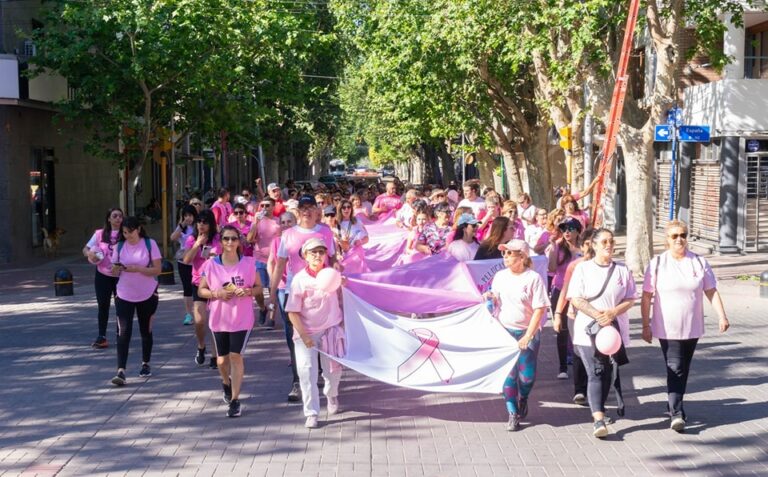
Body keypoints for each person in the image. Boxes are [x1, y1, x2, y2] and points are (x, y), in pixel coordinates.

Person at [641, 220, 730, 432]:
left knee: (684, 368)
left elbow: (711, 290)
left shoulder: (698, 262)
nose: (679, 239)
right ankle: (677, 413)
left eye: (683, 235)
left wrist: (722, 315)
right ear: (667, 240)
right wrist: (646, 324)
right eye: (674, 236)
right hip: (667, 327)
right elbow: (646, 296)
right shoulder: (658, 264)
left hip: (692, 326)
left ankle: (674, 401)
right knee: (676, 367)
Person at [567, 228, 636, 438]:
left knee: (607, 372)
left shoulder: (623, 270)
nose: (609, 245)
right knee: (595, 372)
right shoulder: (583, 269)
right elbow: (576, 298)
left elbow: (631, 298)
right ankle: (598, 419)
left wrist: (613, 312)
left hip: (613, 332)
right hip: (589, 331)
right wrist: (598, 315)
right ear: (594, 245)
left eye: (611, 241)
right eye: (604, 241)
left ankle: (601, 409)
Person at [269, 195, 337, 402]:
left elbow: (333, 261)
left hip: (322, 292)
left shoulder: (325, 232)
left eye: (310, 207)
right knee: (295, 338)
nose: (307, 211)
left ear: (317, 210)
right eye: (303, 208)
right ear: (298, 211)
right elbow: (280, 264)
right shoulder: (288, 234)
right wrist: (271, 293)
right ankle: (298, 381)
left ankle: (320, 375)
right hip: (293, 291)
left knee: (322, 337)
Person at [197, 225, 262, 418]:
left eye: (234, 239)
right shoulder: (211, 265)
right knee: (222, 359)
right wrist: (217, 293)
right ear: (221, 241)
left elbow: (259, 287)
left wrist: (248, 291)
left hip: (242, 319)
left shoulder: (249, 263)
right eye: (226, 239)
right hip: (219, 318)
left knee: (236, 356)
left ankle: (235, 400)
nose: (230, 243)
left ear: (239, 241)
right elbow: (201, 290)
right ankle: (225, 382)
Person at [485, 239, 549, 431]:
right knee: (508, 375)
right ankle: (512, 412)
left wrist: (528, 336)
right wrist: (491, 298)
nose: (505, 257)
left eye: (510, 253)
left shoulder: (533, 278)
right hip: (505, 331)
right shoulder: (500, 276)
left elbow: (539, 309)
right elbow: (495, 299)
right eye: (504, 253)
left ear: (522, 256)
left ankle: (524, 397)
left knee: (526, 377)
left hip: (526, 332)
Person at [285, 238, 345, 428]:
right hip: (306, 333)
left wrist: (342, 324)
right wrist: (304, 336)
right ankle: (311, 412)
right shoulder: (299, 280)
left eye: (321, 252)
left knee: (333, 371)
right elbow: (292, 312)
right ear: (305, 256)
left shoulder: (333, 275)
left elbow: (345, 298)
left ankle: (332, 395)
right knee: (307, 371)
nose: (317, 256)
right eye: (313, 253)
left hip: (331, 330)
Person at [109, 216, 162, 386]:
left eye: (130, 232)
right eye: (124, 232)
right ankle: (121, 370)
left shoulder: (149, 244)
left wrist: (138, 269)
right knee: (123, 331)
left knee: (145, 329)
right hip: (124, 293)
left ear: (138, 229)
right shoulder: (119, 245)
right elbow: (114, 271)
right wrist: (116, 269)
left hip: (147, 293)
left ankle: (145, 363)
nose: (127, 236)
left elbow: (158, 269)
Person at [553, 229, 596, 407]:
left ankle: (596, 386)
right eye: (586, 245)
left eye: (592, 244)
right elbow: (565, 290)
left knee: (597, 352)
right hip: (575, 314)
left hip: (599, 314)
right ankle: (580, 390)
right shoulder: (575, 265)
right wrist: (557, 314)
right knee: (579, 350)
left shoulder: (608, 266)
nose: (589, 249)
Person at [183, 209, 222, 369]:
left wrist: (215, 258)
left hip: (216, 284)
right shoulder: (192, 239)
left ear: (211, 224)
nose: (201, 225)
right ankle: (201, 346)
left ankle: (215, 354)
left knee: (214, 322)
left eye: (205, 222)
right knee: (199, 320)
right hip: (199, 283)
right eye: (199, 222)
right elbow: (186, 260)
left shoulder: (218, 238)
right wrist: (197, 244)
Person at [547, 217, 583, 379]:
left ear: (578, 231)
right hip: (560, 291)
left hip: (580, 294)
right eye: (564, 229)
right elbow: (552, 268)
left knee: (579, 328)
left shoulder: (584, 248)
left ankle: (580, 362)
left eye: (570, 228)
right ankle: (563, 367)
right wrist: (553, 247)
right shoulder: (558, 247)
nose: (567, 232)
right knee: (561, 329)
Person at [268, 211, 299, 399]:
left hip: (308, 292)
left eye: (290, 221)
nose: (286, 224)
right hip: (285, 289)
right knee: (291, 335)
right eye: (283, 222)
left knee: (311, 333)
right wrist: (272, 293)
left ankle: (318, 367)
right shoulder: (279, 241)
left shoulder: (306, 237)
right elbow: (276, 265)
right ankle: (296, 380)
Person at [83, 208, 124, 348]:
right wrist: (90, 255)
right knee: (103, 306)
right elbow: (86, 249)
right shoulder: (100, 234)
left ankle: (121, 335)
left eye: (120, 216)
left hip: (121, 276)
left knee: (121, 306)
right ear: (109, 219)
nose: (118, 218)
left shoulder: (126, 234)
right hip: (102, 276)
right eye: (115, 216)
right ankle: (102, 336)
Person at [247, 197, 281, 328]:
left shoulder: (278, 222)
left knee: (273, 290)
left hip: (275, 261)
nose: (265, 208)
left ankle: (271, 319)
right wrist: (255, 222)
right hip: (259, 259)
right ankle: (262, 308)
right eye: (262, 206)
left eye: (268, 205)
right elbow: (249, 239)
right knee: (258, 291)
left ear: (273, 206)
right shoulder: (257, 221)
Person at [171, 205, 198, 326]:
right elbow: (172, 237)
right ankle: (188, 314)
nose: (188, 218)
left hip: (197, 261)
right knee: (187, 288)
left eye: (190, 215)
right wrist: (182, 225)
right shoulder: (182, 227)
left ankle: (200, 311)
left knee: (197, 287)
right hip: (183, 261)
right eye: (186, 215)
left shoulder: (198, 226)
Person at [336, 199, 370, 273]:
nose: (346, 209)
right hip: (344, 256)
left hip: (357, 256)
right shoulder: (337, 224)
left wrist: (360, 241)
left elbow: (367, 238)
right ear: (340, 209)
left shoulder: (357, 221)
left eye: (348, 207)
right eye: (344, 207)